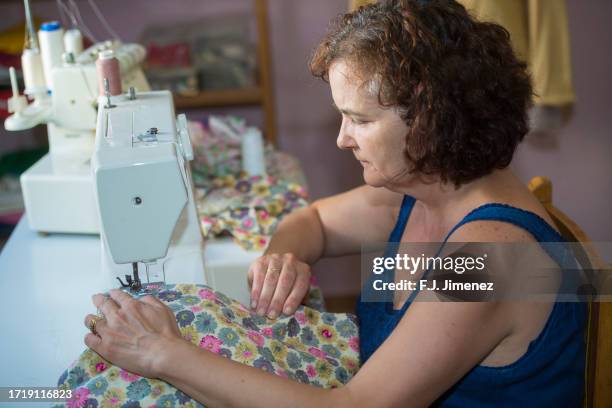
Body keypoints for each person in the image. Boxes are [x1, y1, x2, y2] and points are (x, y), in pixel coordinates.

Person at [83, 0, 587, 406]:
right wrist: (285, 253)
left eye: (361, 120)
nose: (342, 139)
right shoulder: (426, 192)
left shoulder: (486, 259)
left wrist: (160, 354)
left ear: (433, 120)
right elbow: (315, 221)